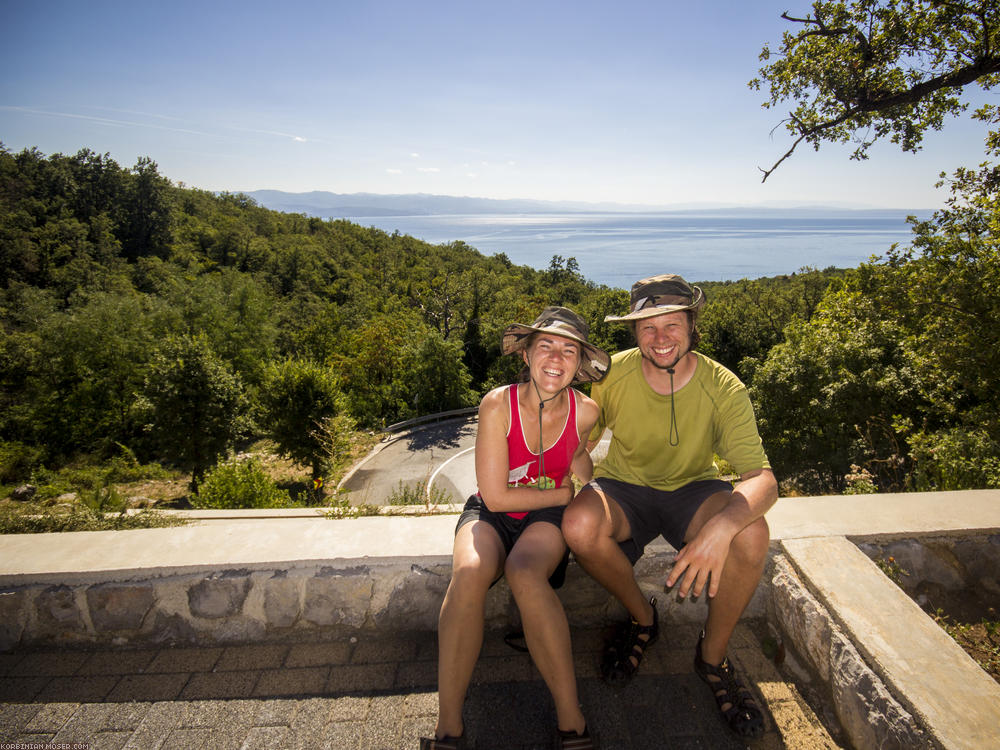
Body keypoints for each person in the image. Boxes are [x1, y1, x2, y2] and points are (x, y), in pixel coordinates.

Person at [561, 274, 777, 740]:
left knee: (750, 532)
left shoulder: (724, 386)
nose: (660, 339)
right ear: (634, 332)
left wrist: (720, 531)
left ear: (691, 325)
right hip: (625, 486)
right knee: (578, 525)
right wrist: (573, 473)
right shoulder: (612, 374)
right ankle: (644, 618)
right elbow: (579, 443)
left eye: (672, 325)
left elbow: (762, 479)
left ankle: (713, 658)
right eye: (647, 328)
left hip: (694, 489)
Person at [421, 306, 610, 750]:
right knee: (468, 574)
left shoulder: (586, 413)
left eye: (569, 350)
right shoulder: (496, 404)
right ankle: (448, 727)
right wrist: (563, 495)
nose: (556, 358)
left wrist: (588, 471)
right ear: (526, 355)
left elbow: (580, 461)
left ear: (579, 365)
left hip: (542, 519)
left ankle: (572, 719)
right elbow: (497, 496)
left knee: (526, 572)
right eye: (546, 345)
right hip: (495, 509)